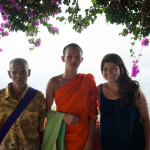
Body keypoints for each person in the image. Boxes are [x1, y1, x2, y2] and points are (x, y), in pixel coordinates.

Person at [45, 43, 98, 150]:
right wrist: (63, 117)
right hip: (61, 134)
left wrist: (90, 141)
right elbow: (45, 111)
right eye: (70, 56)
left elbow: (93, 113)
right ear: (63, 58)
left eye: (77, 57)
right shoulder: (53, 83)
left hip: (84, 135)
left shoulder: (88, 81)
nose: (74, 60)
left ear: (81, 59)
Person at [97, 53, 150, 150]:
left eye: (113, 68)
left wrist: (147, 146)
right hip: (109, 144)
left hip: (135, 144)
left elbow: (145, 119)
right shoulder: (98, 91)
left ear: (121, 69)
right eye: (105, 69)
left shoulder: (134, 89)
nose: (109, 72)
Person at [0, 58, 46, 150]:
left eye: (23, 72)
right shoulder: (0, 97)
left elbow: (42, 129)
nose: (19, 76)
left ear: (29, 72)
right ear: (9, 74)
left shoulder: (38, 97)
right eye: (14, 72)